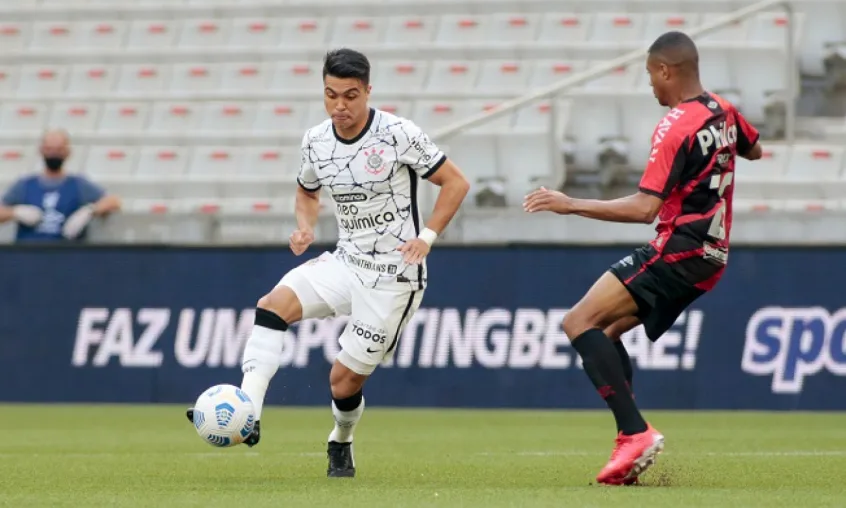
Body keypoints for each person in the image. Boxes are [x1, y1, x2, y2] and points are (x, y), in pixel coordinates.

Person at [187, 48, 470, 477]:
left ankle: (341, 439)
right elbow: (306, 190)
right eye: (331, 95)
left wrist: (427, 237)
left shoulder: (398, 133)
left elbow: (456, 182)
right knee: (271, 305)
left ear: (368, 92)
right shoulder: (316, 140)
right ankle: (248, 414)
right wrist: (305, 226)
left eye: (350, 96)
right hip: (346, 260)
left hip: (394, 275)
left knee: (342, 382)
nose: (340, 106)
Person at [524, 31, 763, 485]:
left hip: (679, 249)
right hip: (712, 256)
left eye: (650, 75)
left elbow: (643, 209)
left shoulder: (676, 124)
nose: (650, 85)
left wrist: (569, 203)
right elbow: (755, 148)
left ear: (665, 70)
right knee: (606, 334)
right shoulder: (724, 110)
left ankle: (635, 434)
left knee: (578, 323)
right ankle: (629, 445)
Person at [0, 129, 122, 242]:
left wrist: (89, 211)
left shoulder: (78, 184)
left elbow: (113, 201)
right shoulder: (24, 185)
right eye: (49, 149)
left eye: (59, 149)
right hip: (29, 254)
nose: (54, 154)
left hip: (67, 255)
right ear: (41, 150)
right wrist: (15, 212)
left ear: (67, 152)